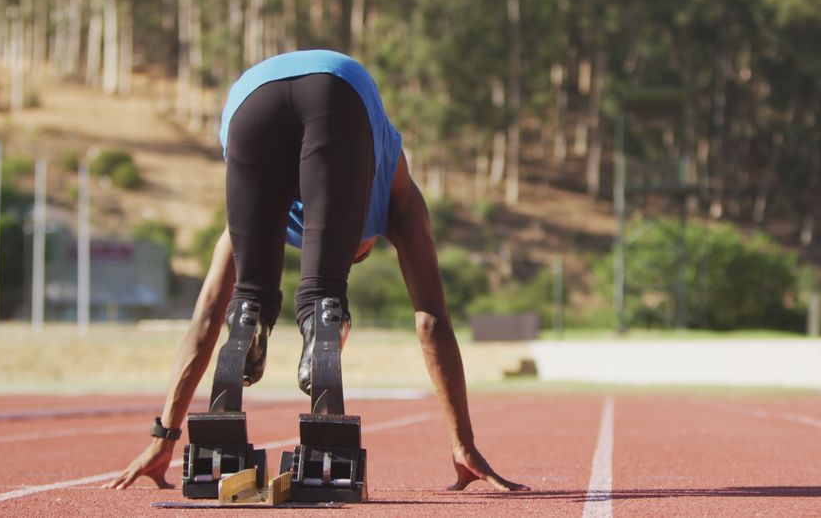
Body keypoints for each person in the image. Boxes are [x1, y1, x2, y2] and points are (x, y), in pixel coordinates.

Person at [106, 50, 528, 492]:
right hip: (338, 91)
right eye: (356, 250)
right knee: (323, 300)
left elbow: (209, 313)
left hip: (251, 98)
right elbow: (432, 318)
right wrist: (462, 441)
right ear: (367, 233)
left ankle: (249, 344)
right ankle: (324, 356)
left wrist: (166, 435)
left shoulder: (276, 214)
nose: (349, 250)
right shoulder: (398, 200)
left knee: (246, 300)